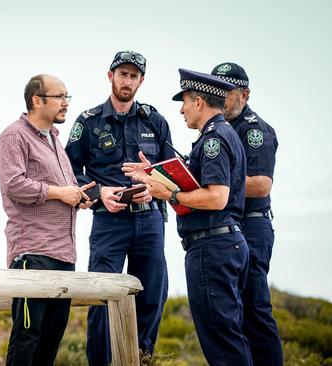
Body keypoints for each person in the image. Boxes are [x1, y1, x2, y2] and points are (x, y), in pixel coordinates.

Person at [124, 68, 251, 365]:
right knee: (229, 336)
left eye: (184, 101)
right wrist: (154, 175)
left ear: (198, 102)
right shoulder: (223, 134)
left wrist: (168, 195)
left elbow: (217, 197)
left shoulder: (213, 139)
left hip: (212, 247)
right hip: (224, 245)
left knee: (222, 340)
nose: (180, 109)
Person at [65, 50, 175, 365]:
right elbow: (68, 169)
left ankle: (140, 359)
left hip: (150, 221)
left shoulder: (155, 121)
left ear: (141, 81)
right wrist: (100, 191)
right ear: (110, 76)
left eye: (133, 76)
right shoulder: (88, 121)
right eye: (122, 74)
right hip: (108, 222)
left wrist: (152, 185)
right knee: (100, 296)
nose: (127, 81)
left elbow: (173, 172)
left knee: (152, 294)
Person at [0, 74, 96, 366]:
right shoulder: (14, 136)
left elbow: (61, 191)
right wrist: (60, 193)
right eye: (60, 96)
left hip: (64, 254)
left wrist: (78, 196)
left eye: (68, 97)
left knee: (51, 340)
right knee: (27, 337)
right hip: (32, 254)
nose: (66, 103)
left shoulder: (54, 138)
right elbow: (14, 185)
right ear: (37, 101)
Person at [212, 62, 283, 365]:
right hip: (230, 228)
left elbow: (262, 185)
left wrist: (214, 183)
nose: (223, 99)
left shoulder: (255, 130)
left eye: (228, 92)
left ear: (245, 94)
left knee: (255, 310)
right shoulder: (220, 129)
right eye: (218, 92)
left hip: (252, 227)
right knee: (234, 313)